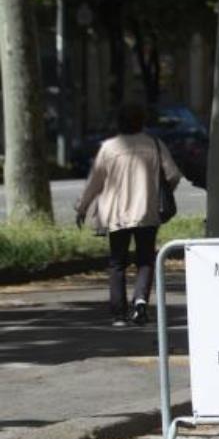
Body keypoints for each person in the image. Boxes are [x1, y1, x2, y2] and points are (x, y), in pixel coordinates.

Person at [75, 103, 182, 327]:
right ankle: (140, 301)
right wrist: (159, 191)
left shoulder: (109, 148)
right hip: (146, 211)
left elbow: (94, 182)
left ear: (119, 123)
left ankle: (118, 314)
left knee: (117, 263)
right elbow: (173, 174)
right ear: (142, 121)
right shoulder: (154, 144)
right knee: (145, 260)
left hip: (116, 213)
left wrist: (82, 207)